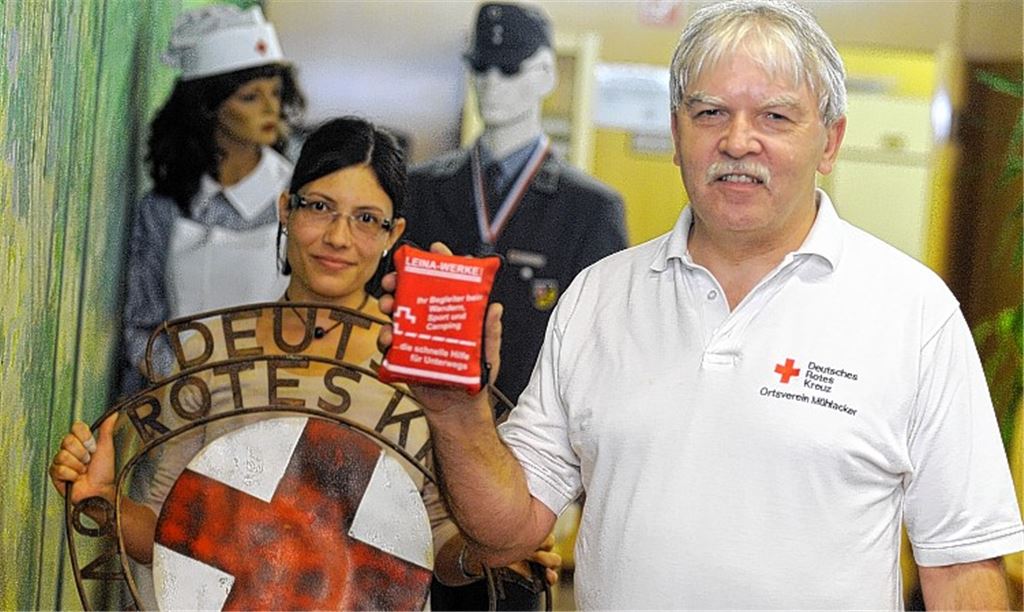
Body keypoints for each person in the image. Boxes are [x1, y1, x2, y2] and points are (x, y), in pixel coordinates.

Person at [380, 1, 1024, 609]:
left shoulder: (912, 312)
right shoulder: (598, 297)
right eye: (709, 112)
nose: (738, 141)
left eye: (775, 116)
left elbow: (963, 565)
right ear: (677, 130)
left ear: (830, 141)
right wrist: (457, 411)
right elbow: (509, 531)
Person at [50, 117, 559, 607]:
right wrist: (102, 499)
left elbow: (432, 546)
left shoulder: (421, 372)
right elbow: (170, 532)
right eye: (319, 207)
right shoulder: (215, 352)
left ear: (392, 233)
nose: (338, 237)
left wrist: (490, 546)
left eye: (366, 219)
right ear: (285, 209)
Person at [404, 2, 627, 409]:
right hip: (419, 420)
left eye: (508, 70)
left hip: (532, 435)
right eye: (481, 68)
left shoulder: (590, 211)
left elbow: (600, 347)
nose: (491, 84)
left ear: (545, 74)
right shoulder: (420, 189)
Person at [120, 4, 305, 395]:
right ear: (209, 108)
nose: (272, 108)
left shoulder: (301, 200)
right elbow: (142, 325)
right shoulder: (164, 208)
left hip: (268, 401)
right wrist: (185, 389)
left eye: (275, 93)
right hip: (176, 405)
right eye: (250, 97)